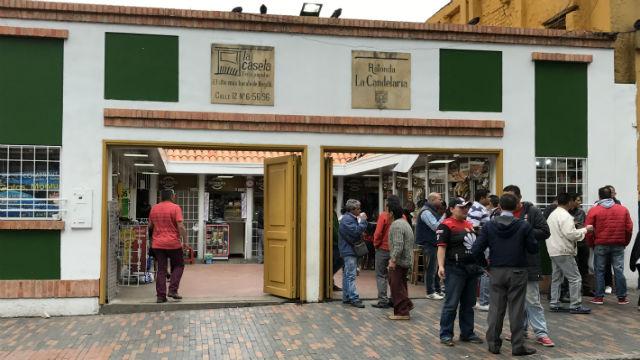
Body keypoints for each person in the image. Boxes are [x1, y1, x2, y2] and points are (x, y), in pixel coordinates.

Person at [472, 193, 538, 356]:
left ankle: (493, 343)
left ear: (499, 206)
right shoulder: (523, 226)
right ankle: (517, 345)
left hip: (496, 270)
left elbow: (476, 249)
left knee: (496, 308)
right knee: (516, 309)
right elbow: (533, 248)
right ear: (517, 206)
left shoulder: (489, 226)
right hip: (517, 270)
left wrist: (484, 265)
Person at [501, 185, 554, 347]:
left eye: (511, 198)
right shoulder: (500, 214)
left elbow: (545, 231)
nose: (507, 201)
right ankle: (519, 329)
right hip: (509, 264)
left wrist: (524, 232)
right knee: (516, 300)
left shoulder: (532, 212)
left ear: (519, 198)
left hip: (528, 263)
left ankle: (541, 333)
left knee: (532, 300)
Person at [437, 197, 483, 347]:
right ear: (451, 209)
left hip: (471, 269)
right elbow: (441, 247)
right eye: (461, 207)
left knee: (468, 304)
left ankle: (467, 333)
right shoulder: (445, 225)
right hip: (454, 268)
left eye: (466, 207)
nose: (465, 209)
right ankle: (445, 334)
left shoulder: (469, 224)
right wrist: (441, 266)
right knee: (451, 303)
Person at [546, 193, 593, 314]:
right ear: (569, 202)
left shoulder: (553, 214)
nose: (574, 203)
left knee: (557, 277)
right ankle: (575, 305)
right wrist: (585, 230)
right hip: (564, 250)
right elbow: (571, 234)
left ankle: (554, 303)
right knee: (575, 278)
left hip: (554, 250)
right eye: (573, 201)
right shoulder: (565, 216)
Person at [585, 186, 633, 305]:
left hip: (600, 244)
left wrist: (591, 243)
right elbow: (629, 228)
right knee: (619, 270)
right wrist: (625, 242)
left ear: (599, 196)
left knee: (599, 270)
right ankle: (621, 297)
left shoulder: (594, 210)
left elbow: (588, 230)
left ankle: (599, 297)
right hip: (618, 244)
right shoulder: (623, 209)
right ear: (612, 195)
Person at [148, 189, 188, 303]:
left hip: (157, 244)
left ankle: (161, 296)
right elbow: (181, 226)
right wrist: (185, 241)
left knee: (161, 269)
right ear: (172, 196)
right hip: (173, 243)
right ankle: (173, 290)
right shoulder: (175, 208)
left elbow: (150, 226)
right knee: (179, 265)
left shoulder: (154, 208)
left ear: (161, 197)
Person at [372, 195, 402, 308]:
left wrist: (376, 244)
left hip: (383, 249)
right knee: (395, 276)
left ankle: (383, 300)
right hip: (396, 250)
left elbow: (378, 233)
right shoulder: (402, 217)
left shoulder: (384, 216)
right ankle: (395, 298)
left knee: (381, 275)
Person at [387, 200, 415, 320]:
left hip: (400, 260)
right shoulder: (404, 222)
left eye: (387, 211)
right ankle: (406, 305)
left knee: (396, 284)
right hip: (406, 259)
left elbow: (398, 244)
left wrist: (393, 259)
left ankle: (403, 310)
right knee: (400, 284)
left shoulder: (397, 225)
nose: (386, 214)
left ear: (391, 213)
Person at [338, 199, 368, 308]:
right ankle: (354, 298)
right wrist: (363, 221)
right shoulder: (347, 220)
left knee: (347, 274)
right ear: (352, 209)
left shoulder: (349, 219)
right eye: (358, 208)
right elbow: (356, 231)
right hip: (348, 251)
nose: (360, 210)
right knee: (351, 275)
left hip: (347, 250)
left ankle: (346, 297)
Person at [415, 192, 445, 300]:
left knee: (436, 267)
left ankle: (437, 290)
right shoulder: (426, 212)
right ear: (432, 200)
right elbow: (435, 226)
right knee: (431, 268)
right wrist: (445, 216)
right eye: (439, 199)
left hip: (433, 243)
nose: (441, 201)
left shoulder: (431, 211)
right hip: (428, 243)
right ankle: (430, 291)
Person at [467, 189, 491, 312]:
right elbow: (473, 227)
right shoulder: (477, 208)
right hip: (482, 244)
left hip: (482, 244)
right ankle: (484, 301)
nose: (490, 199)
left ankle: (481, 300)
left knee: (481, 272)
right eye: (488, 196)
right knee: (485, 272)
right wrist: (486, 232)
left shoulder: (479, 208)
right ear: (482, 198)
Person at [332, 210, 343, 291]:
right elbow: (333, 228)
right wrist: (339, 239)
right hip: (334, 243)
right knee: (338, 260)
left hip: (336, 242)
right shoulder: (330, 212)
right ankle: (329, 281)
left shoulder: (333, 213)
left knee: (338, 261)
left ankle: (330, 282)